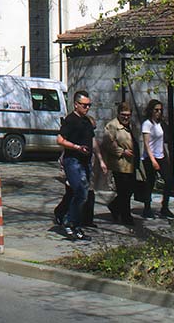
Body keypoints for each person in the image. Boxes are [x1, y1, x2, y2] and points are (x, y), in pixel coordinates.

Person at [56, 89, 106, 241]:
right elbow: (60, 140)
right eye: (84, 105)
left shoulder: (87, 122)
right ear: (76, 104)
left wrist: (101, 160)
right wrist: (76, 147)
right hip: (73, 161)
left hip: (85, 162)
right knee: (80, 192)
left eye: (89, 105)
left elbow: (92, 141)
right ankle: (68, 221)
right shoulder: (70, 120)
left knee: (82, 194)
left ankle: (75, 225)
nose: (87, 108)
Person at [102, 101, 137, 227]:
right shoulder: (112, 126)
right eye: (123, 115)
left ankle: (115, 206)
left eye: (128, 115)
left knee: (130, 190)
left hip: (131, 164)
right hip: (119, 164)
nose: (126, 117)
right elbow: (107, 144)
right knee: (124, 191)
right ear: (118, 114)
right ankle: (126, 216)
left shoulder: (131, 125)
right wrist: (122, 151)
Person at [141, 98, 174, 219]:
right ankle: (147, 208)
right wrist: (153, 160)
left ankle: (164, 207)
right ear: (151, 110)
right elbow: (146, 144)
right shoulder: (147, 124)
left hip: (161, 156)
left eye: (160, 110)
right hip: (150, 157)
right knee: (150, 182)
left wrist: (165, 156)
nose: (158, 112)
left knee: (169, 180)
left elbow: (162, 142)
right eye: (156, 110)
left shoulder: (160, 124)